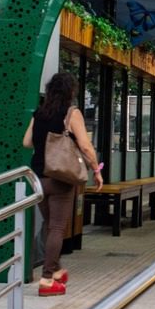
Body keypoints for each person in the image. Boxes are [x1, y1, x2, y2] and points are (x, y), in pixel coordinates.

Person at [23, 72, 103, 297]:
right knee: (57, 227)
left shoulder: (38, 113)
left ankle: (56, 270)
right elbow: (86, 147)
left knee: (50, 225)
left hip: (38, 178)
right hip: (60, 178)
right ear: (71, 92)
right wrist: (96, 171)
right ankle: (47, 279)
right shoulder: (71, 113)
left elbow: (27, 142)